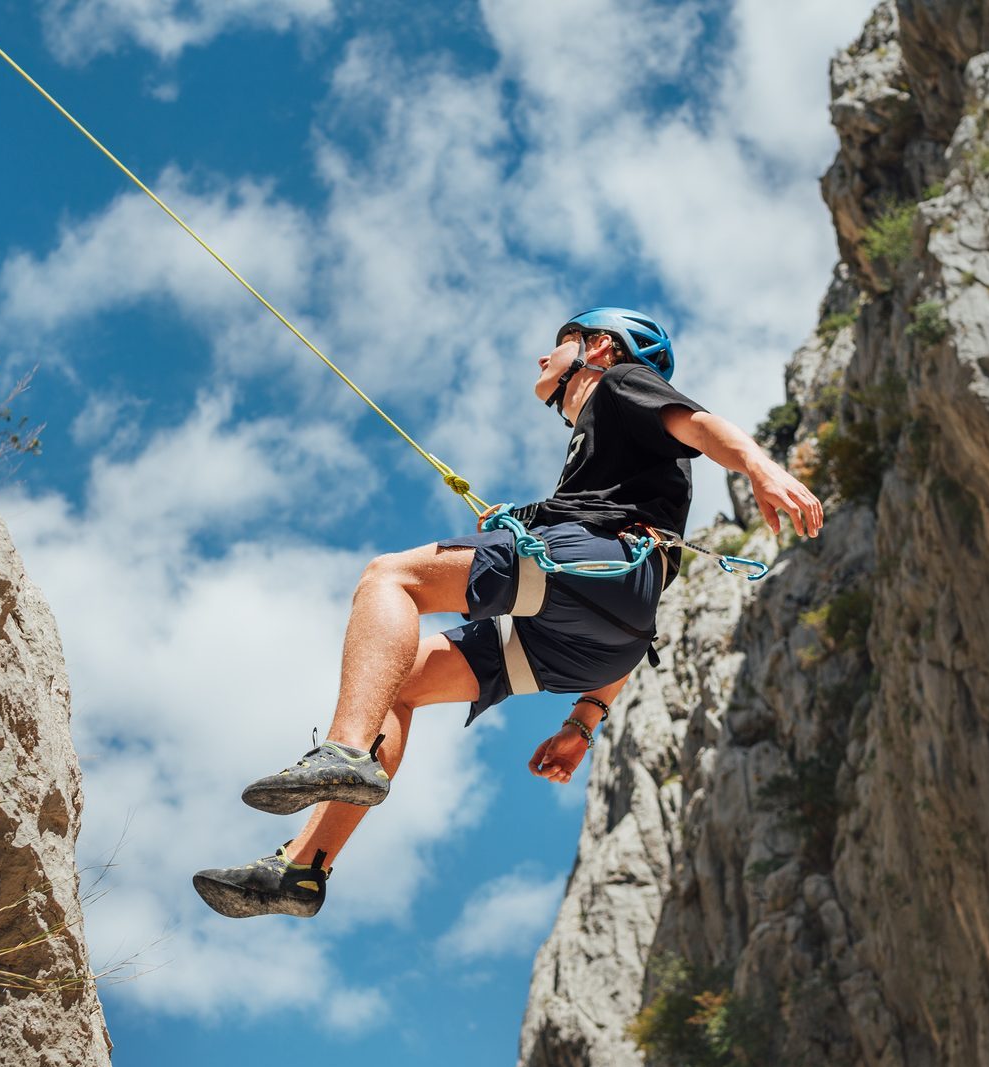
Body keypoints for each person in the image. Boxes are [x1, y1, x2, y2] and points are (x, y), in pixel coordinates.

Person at [191, 308, 823, 919]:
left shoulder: (623, 382)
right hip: (609, 631)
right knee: (396, 681)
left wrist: (761, 468)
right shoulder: (611, 461)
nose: (544, 355)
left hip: (592, 570)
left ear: (599, 348)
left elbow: (700, 424)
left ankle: (346, 748)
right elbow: (635, 606)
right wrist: (583, 720)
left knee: (391, 578)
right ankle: (305, 866)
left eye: (563, 340)